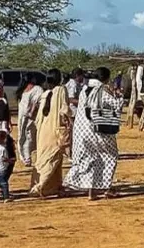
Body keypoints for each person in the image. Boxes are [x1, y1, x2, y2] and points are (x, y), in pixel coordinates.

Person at [64, 67, 124, 200]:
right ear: (106, 79)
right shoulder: (102, 90)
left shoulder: (84, 90)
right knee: (110, 156)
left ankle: (89, 191)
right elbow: (116, 105)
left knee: (90, 159)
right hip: (98, 130)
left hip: (81, 131)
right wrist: (119, 96)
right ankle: (106, 188)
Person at [30, 69, 72, 198]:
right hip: (54, 130)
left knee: (51, 159)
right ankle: (40, 186)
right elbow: (64, 109)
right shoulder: (61, 90)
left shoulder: (45, 93)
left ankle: (54, 186)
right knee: (51, 159)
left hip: (43, 131)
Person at [16, 72, 44, 167]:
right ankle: (26, 157)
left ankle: (29, 157)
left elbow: (37, 102)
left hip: (31, 118)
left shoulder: (36, 89)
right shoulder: (24, 90)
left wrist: (32, 112)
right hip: (22, 118)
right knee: (23, 136)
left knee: (30, 136)